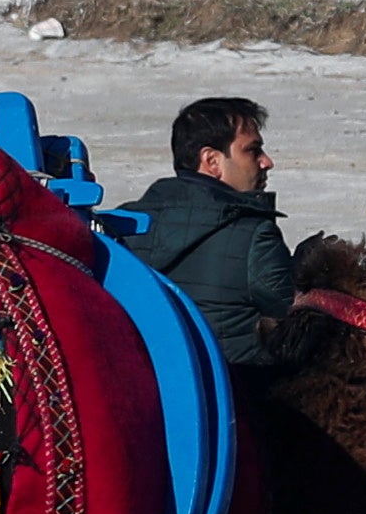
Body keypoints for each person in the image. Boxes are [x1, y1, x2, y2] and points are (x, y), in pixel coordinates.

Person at [114, 93, 296, 370]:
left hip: (149, 392)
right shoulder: (253, 235)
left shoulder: (124, 227)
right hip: (240, 398)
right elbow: (297, 322)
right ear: (212, 161)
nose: (266, 161)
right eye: (252, 150)